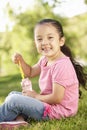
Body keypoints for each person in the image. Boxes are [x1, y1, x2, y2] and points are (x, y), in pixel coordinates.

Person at [0, 19, 87, 125]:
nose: (44, 43)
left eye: (50, 38)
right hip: (48, 104)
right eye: (39, 39)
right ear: (35, 43)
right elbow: (30, 73)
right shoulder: (45, 59)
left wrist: (35, 96)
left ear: (61, 41)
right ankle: (19, 121)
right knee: (12, 94)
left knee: (14, 100)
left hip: (58, 111)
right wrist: (21, 61)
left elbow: (57, 98)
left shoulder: (61, 65)